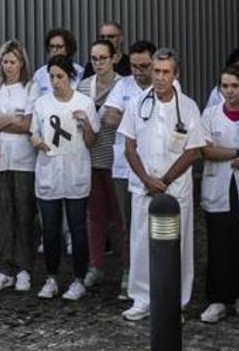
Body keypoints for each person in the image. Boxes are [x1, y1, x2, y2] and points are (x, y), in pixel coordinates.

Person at [118, 48, 205, 320]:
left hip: (175, 188)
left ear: (176, 74)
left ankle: (175, 302)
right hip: (144, 187)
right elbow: (129, 145)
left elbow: (193, 151)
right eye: (156, 71)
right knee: (141, 241)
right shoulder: (136, 103)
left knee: (177, 246)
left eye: (166, 72)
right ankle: (142, 298)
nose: (160, 77)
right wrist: (147, 179)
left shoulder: (188, 107)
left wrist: (165, 181)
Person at [30, 55, 98, 301]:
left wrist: (86, 124)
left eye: (60, 76)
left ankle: (78, 279)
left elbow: (92, 141)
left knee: (78, 228)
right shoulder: (41, 103)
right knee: (50, 230)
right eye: (52, 77)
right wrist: (37, 141)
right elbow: (34, 134)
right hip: (49, 170)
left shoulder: (85, 103)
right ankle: (51, 278)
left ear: (70, 76)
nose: (55, 81)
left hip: (76, 170)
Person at [199, 65, 239, 324]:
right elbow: (205, 150)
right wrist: (238, 153)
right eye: (225, 86)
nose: (230, 91)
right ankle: (217, 299)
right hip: (218, 186)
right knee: (218, 242)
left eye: (235, 86)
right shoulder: (210, 114)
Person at [0, 40, 39, 293]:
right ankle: (3, 268)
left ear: (21, 62)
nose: (8, 66)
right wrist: (9, 120)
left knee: (24, 215)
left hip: (24, 161)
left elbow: (28, 125)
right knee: (1, 215)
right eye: (5, 61)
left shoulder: (31, 88)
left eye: (13, 61)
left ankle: (24, 268)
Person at [101, 39, 155, 300]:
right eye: (134, 66)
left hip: (155, 166)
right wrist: (141, 121)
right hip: (124, 168)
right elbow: (109, 117)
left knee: (152, 223)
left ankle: (154, 274)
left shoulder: (165, 85)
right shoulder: (122, 85)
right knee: (126, 224)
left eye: (144, 66)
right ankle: (129, 272)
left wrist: (130, 120)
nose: (138, 71)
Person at [76, 38, 125, 290]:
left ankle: (127, 269)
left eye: (103, 58)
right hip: (91, 158)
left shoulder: (124, 86)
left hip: (117, 161)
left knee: (120, 219)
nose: (98, 63)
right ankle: (95, 266)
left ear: (114, 58)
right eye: (94, 59)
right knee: (94, 217)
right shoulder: (83, 86)